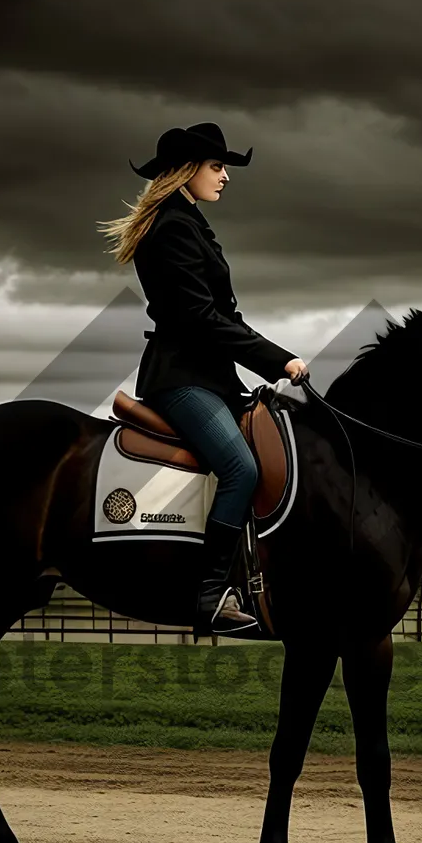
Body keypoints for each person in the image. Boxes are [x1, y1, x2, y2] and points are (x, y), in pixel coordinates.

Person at [97, 122, 308, 636]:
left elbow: (223, 321)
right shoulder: (173, 227)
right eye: (217, 166)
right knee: (240, 469)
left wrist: (271, 361)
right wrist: (280, 362)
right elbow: (202, 320)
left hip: (212, 378)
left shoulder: (187, 223)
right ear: (188, 170)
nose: (225, 177)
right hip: (182, 379)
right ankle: (210, 595)